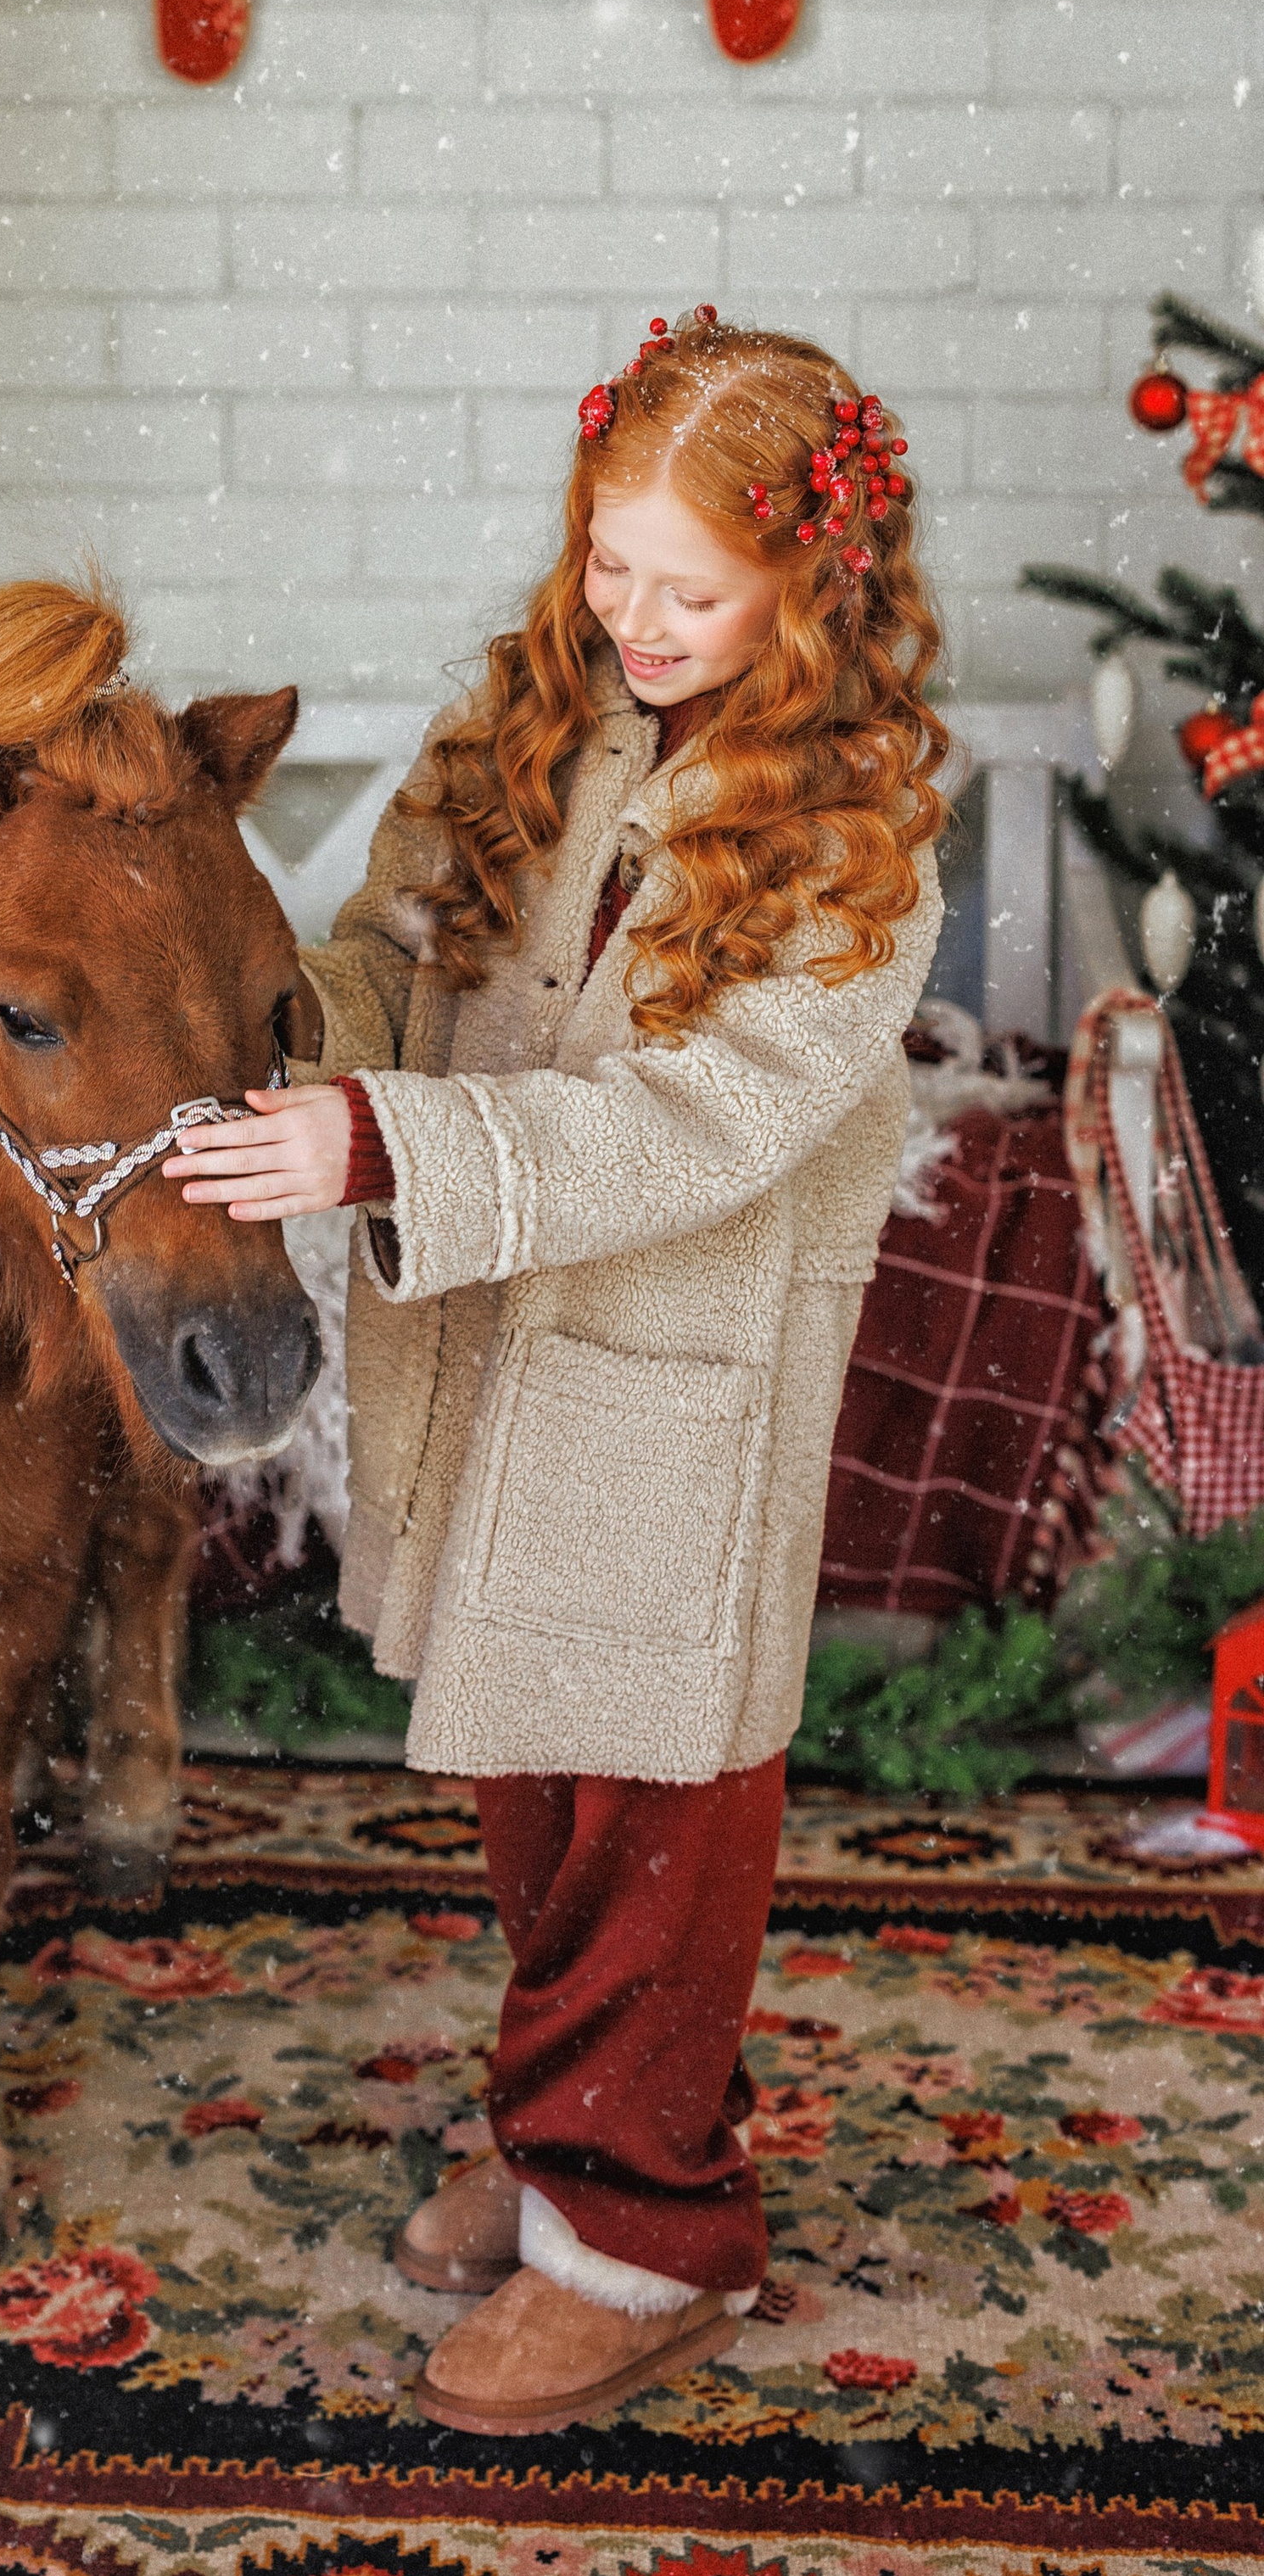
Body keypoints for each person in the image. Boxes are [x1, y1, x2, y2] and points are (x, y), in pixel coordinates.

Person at [163, 310, 948, 2436]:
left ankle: (645, 2231)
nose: (636, 618)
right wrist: (286, 1038)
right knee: (534, 1788)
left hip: (677, 1393)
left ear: (807, 582)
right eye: (610, 563)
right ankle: (565, 2129)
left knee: (649, 1817)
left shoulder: (851, 828)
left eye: (691, 588)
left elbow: (699, 1118)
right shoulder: (524, 728)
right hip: (490, 1362)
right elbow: (377, 953)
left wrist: (384, 1147)